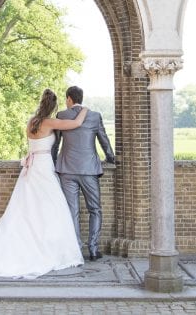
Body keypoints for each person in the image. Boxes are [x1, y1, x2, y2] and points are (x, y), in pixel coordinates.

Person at [0, 89, 90, 279]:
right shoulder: (49, 122)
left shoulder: (31, 122)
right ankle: (47, 248)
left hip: (31, 167)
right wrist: (84, 109)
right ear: (53, 107)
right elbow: (76, 123)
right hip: (43, 166)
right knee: (50, 207)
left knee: (25, 207)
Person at [52, 85, 115, 261]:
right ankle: (93, 249)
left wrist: (52, 161)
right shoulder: (94, 116)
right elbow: (104, 140)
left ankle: (76, 249)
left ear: (69, 99)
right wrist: (110, 157)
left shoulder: (61, 115)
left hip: (66, 169)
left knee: (72, 210)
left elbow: (56, 144)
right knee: (95, 209)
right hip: (89, 170)